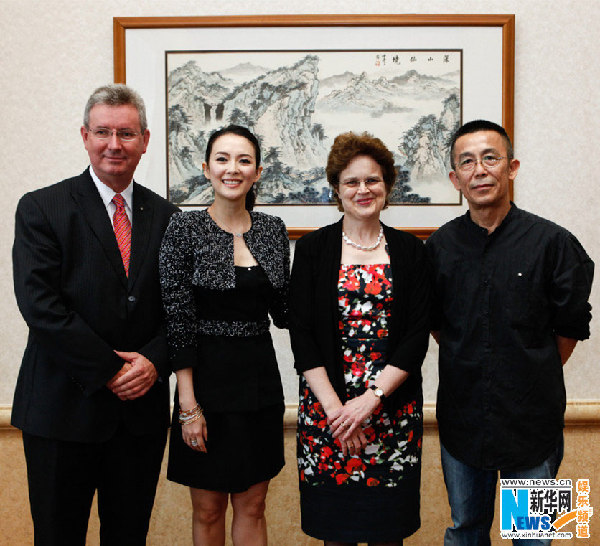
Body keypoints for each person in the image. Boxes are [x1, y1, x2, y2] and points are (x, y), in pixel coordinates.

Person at [11, 84, 178, 545]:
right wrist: (110, 370)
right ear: (84, 136)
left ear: (145, 140)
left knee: (128, 537)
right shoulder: (42, 208)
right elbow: (41, 308)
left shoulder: (168, 217)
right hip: (60, 412)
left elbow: (181, 308)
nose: (114, 144)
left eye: (126, 133)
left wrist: (153, 362)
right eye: (103, 132)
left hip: (139, 417)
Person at [427, 119, 594, 545]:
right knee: (465, 529)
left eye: (490, 158)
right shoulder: (438, 248)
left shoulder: (554, 243)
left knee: (534, 538)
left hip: (533, 422)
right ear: (455, 178)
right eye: (467, 162)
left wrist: (526, 369)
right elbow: (437, 326)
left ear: (512, 167)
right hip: (462, 421)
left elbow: (570, 328)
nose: (479, 170)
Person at [289, 132, 432, 545]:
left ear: (387, 185)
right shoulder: (313, 249)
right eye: (352, 181)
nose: (363, 190)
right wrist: (340, 414)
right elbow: (303, 337)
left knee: (389, 534)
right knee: (337, 533)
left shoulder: (411, 251)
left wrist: (368, 403)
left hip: (391, 415)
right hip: (328, 418)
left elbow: (416, 337)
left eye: (373, 180)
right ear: (336, 188)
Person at [159, 125, 289, 546]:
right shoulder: (184, 228)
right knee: (209, 508)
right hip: (206, 386)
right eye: (222, 159)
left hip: (259, 385)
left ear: (257, 172)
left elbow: (286, 312)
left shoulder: (272, 229)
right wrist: (188, 405)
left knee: (253, 505)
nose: (232, 169)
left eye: (244, 160)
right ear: (206, 168)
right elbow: (177, 318)